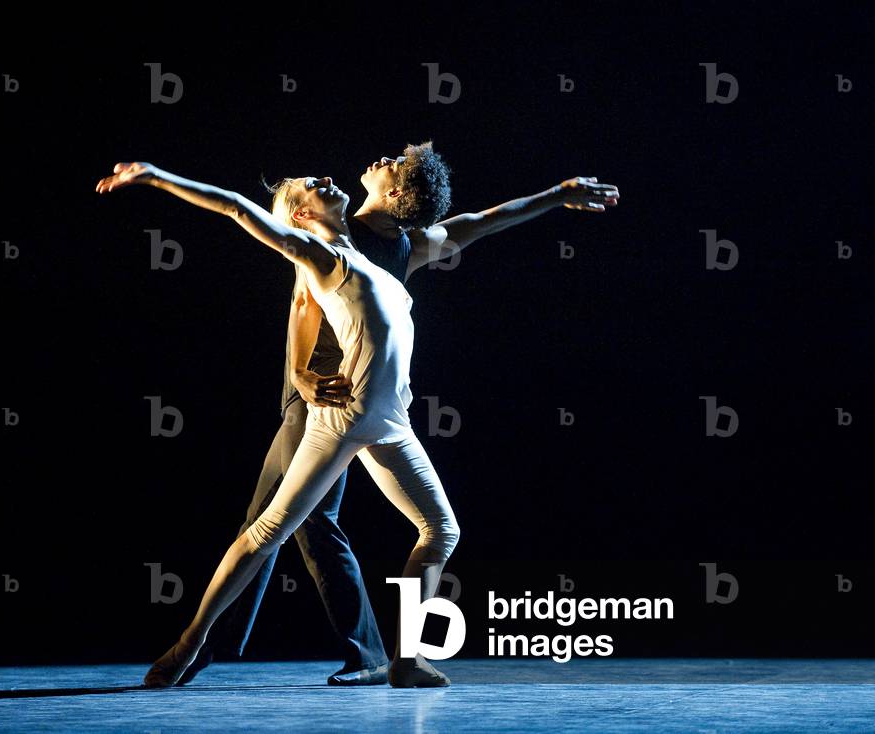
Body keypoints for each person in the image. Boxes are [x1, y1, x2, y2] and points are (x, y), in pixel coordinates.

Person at [178, 142, 620, 688]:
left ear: (397, 196)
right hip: (322, 389)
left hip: (363, 401)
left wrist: (555, 196)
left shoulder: (400, 244)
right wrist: (299, 373)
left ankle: (336, 651)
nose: (380, 161)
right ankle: (218, 643)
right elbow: (302, 301)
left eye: (394, 166)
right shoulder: (331, 232)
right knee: (285, 521)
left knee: (297, 521)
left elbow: (482, 222)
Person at [96, 161, 462, 688]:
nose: (327, 180)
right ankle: (191, 641)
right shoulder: (321, 255)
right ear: (302, 215)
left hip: (390, 424)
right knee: (268, 530)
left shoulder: (372, 255)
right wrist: (156, 177)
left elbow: (475, 224)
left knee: (441, 530)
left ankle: (406, 659)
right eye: (313, 186)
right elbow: (235, 207)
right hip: (342, 418)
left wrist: (556, 195)